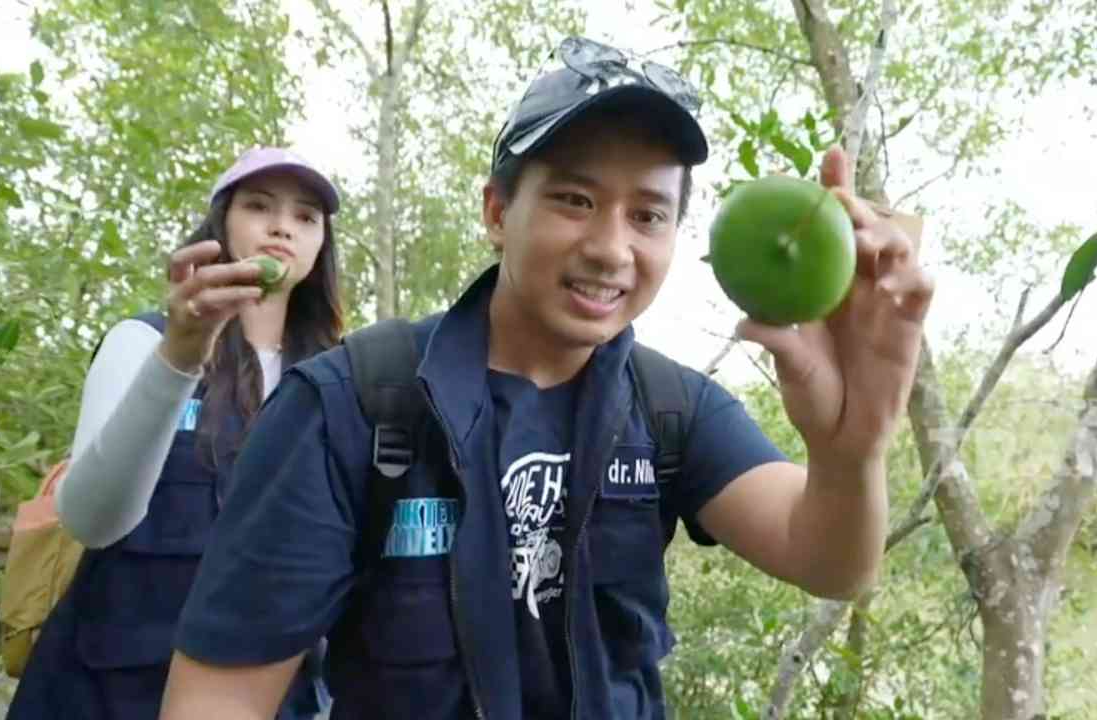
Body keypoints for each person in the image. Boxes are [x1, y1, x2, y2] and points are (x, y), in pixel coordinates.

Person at [159, 36, 935, 720]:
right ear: (498, 212)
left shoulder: (670, 410)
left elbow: (831, 561)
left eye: (647, 216)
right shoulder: (349, 406)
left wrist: (852, 450)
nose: (609, 247)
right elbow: (220, 698)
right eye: (574, 199)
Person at [5, 147, 345, 720]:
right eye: (259, 206)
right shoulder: (142, 343)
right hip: (111, 688)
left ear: (320, 246)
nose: (282, 225)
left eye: (306, 216)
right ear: (222, 224)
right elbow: (92, 519)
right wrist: (180, 356)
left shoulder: (339, 377)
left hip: (268, 694)